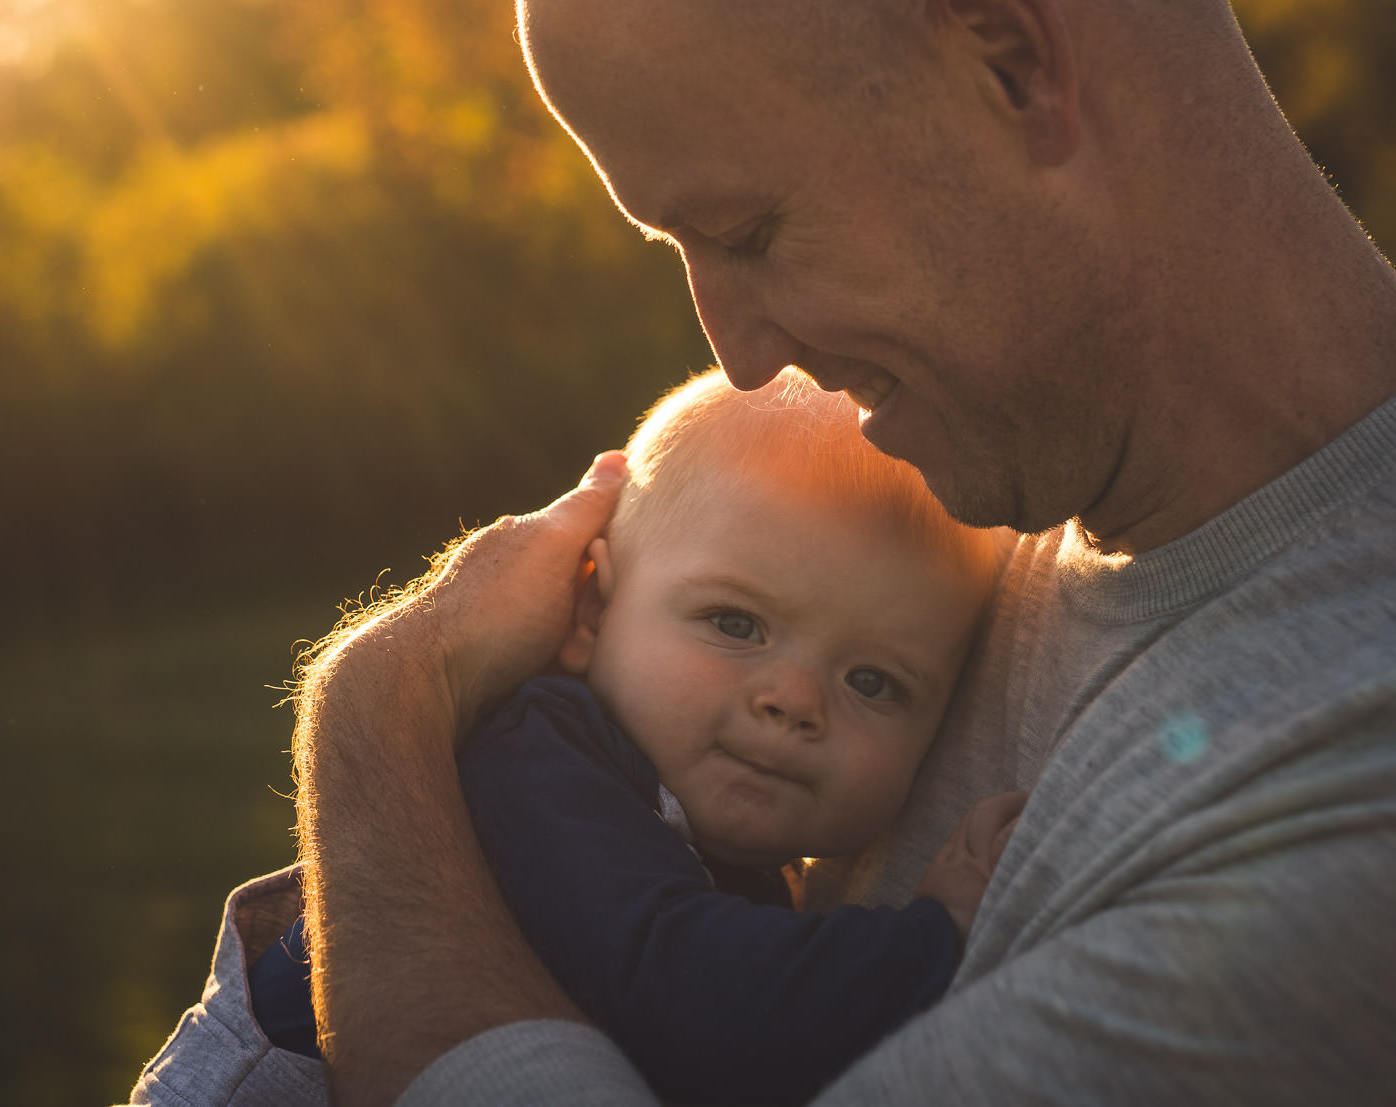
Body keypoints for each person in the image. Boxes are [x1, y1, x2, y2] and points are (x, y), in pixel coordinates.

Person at [136, 0, 1396, 1104]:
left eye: (748, 230)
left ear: (1008, 59)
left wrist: (377, 715)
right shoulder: (994, 489)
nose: (737, 350)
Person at [231, 368, 1013, 1106]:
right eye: (736, 624)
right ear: (591, 608)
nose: (795, 700)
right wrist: (933, 935)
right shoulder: (540, 763)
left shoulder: (715, 837)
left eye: (873, 681)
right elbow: (703, 1006)